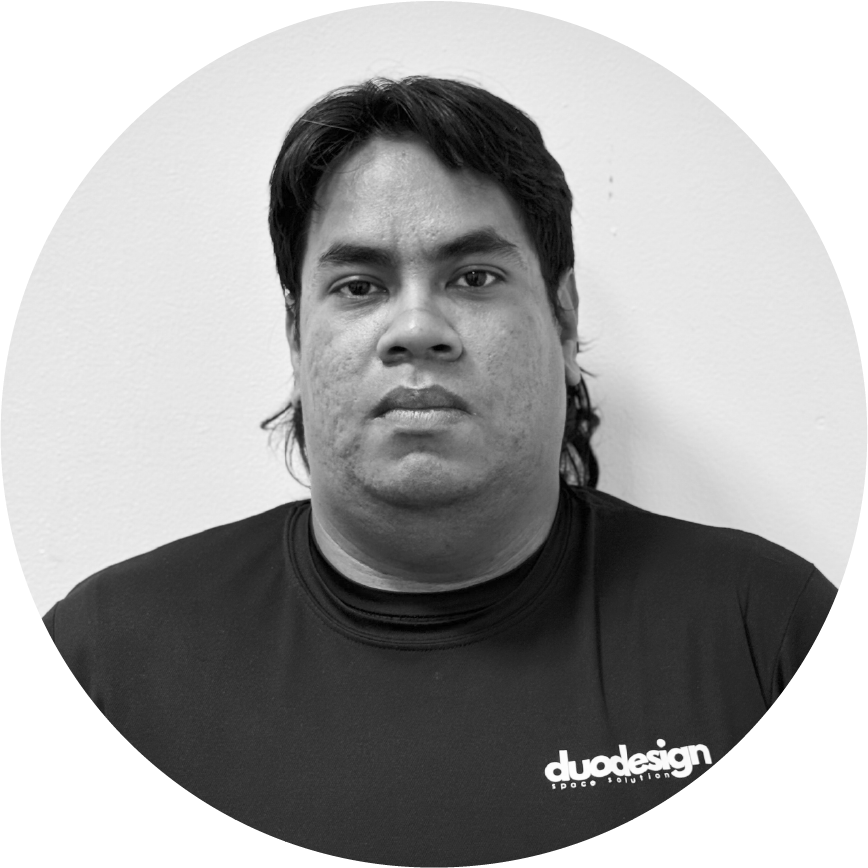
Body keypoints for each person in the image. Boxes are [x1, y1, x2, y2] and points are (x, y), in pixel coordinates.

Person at [42, 77, 836, 866]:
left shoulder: (763, 629)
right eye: (360, 286)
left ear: (564, 319)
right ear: (295, 333)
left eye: (474, 278)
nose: (417, 328)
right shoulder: (104, 663)